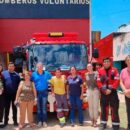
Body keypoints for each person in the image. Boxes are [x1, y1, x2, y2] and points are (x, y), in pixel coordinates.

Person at [97, 57, 120, 130]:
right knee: (103, 108)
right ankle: (103, 123)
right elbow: (98, 81)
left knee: (114, 108)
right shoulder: (100, 71)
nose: (106, 63)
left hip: (112, 92)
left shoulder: (115, 70)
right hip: (104, 93)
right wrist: (103, 89)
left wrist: (111, 89)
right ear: (103, 63)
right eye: (105, 62)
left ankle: (115, 125)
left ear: (110, 62)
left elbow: (117, 80)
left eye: (108, 61)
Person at [31, 62, 52, 127]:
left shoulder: (47, 73)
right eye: (38, 67)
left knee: (44, 108)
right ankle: (40, 121)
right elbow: (31, 82)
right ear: (36, 67)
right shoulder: (34, 74)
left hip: (44, 92)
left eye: (40, 66)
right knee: (38, 108)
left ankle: (44, 121)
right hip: (37, 93)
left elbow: (53, 79)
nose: (39, 68)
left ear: (42, 67)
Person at [2, 62, 20, 126]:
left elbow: (19, 86)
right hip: (6, 94)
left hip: (14, 95)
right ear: (8, 67)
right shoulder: (3, 74)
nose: (11, 67)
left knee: (14, 108)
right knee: (6, 108)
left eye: (12, 66)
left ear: (14, 67)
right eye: (10, 66)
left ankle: (15, 121)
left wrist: (18, 96)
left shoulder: (17, 75)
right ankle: (5, 122)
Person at [85, 63, 100, 127]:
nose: (89, 67)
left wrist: (99, 92)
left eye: (90, 66)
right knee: (90, 106)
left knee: (95, 106)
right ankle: (92, 120)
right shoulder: (86, 74)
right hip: (89, 91)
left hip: (96, 91)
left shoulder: (96, 73)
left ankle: (95, 121)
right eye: (88, 67)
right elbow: (85, 82)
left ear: (92, 67)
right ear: (87, 68)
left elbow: (99, 82)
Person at [120, 55, 130, 130]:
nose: (129, 61)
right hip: (127, 95)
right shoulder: (123, 71)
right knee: (128, 110)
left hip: (128, 93)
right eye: (128, 60)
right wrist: (124, 90)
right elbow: (121, 81)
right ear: (125, 62)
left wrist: (128, 91)